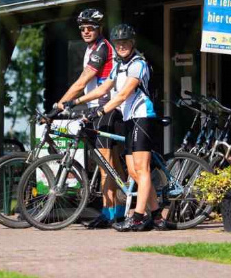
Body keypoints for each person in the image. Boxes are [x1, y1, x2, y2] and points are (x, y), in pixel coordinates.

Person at [63, 24, 167, 232]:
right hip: (129, 119)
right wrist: (76, 101)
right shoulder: (118, 65)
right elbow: (104, 88)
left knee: (141, 169)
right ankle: (157, 216)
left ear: (132, 43)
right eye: (118, 43)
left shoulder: (138, 64)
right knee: (133, 172)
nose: (121, 46)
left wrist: (100, 112)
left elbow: (122, 95)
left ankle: (137, 217)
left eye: (125, 42)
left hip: (142, 118)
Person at [55, 9, 125, 228]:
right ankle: (116, 210)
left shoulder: (102, 48)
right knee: (112, 164)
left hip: (106, 109)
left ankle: (109, 212)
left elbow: (82, 81)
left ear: (99, 29)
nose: (86, 32)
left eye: (90, 28)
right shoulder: (92, 47)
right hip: (99, 109)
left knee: (106, 165)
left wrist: (60, 104)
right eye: (82, 28)